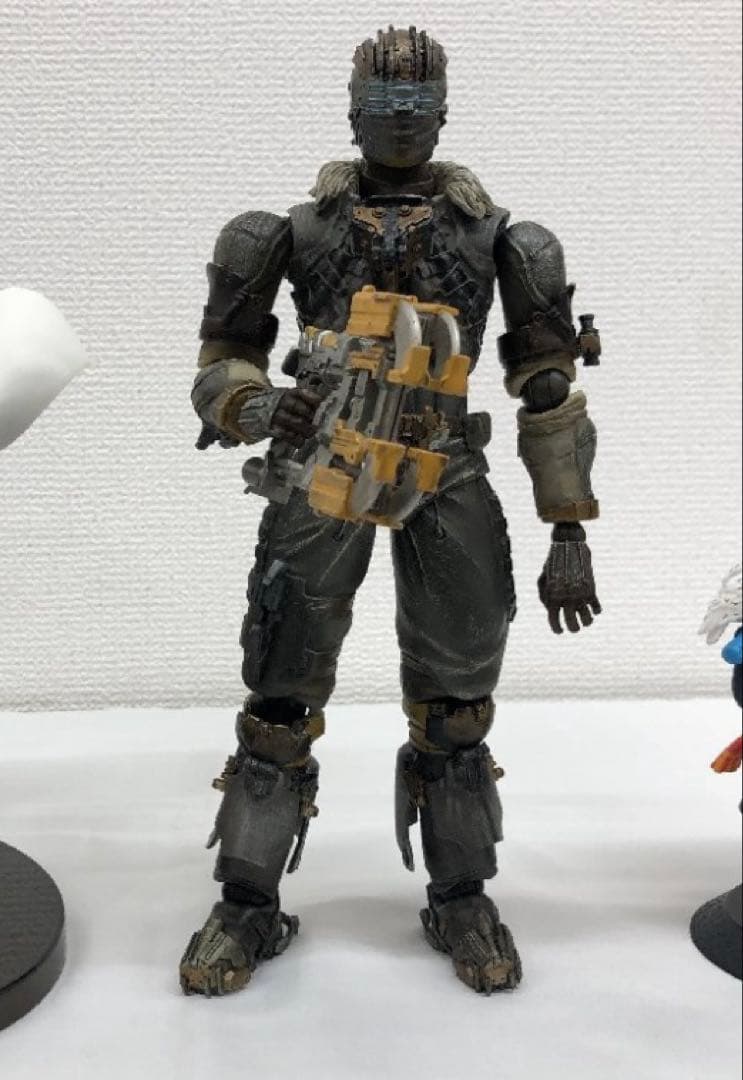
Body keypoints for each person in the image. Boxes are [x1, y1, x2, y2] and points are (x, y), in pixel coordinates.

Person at [181, 25, 601, 997]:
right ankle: (246, 902)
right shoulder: (287, 232)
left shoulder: (504, 241)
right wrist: (257, 407)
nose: (400, 123)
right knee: (279, 696)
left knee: (456, 704)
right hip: (323, 464)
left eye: (417, 107)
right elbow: (221, 365)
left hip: (444, 469)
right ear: (352, 112)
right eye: (383, 106)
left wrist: (568, 528)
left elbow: (547, 389)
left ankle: (460, 893)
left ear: (444, 114)